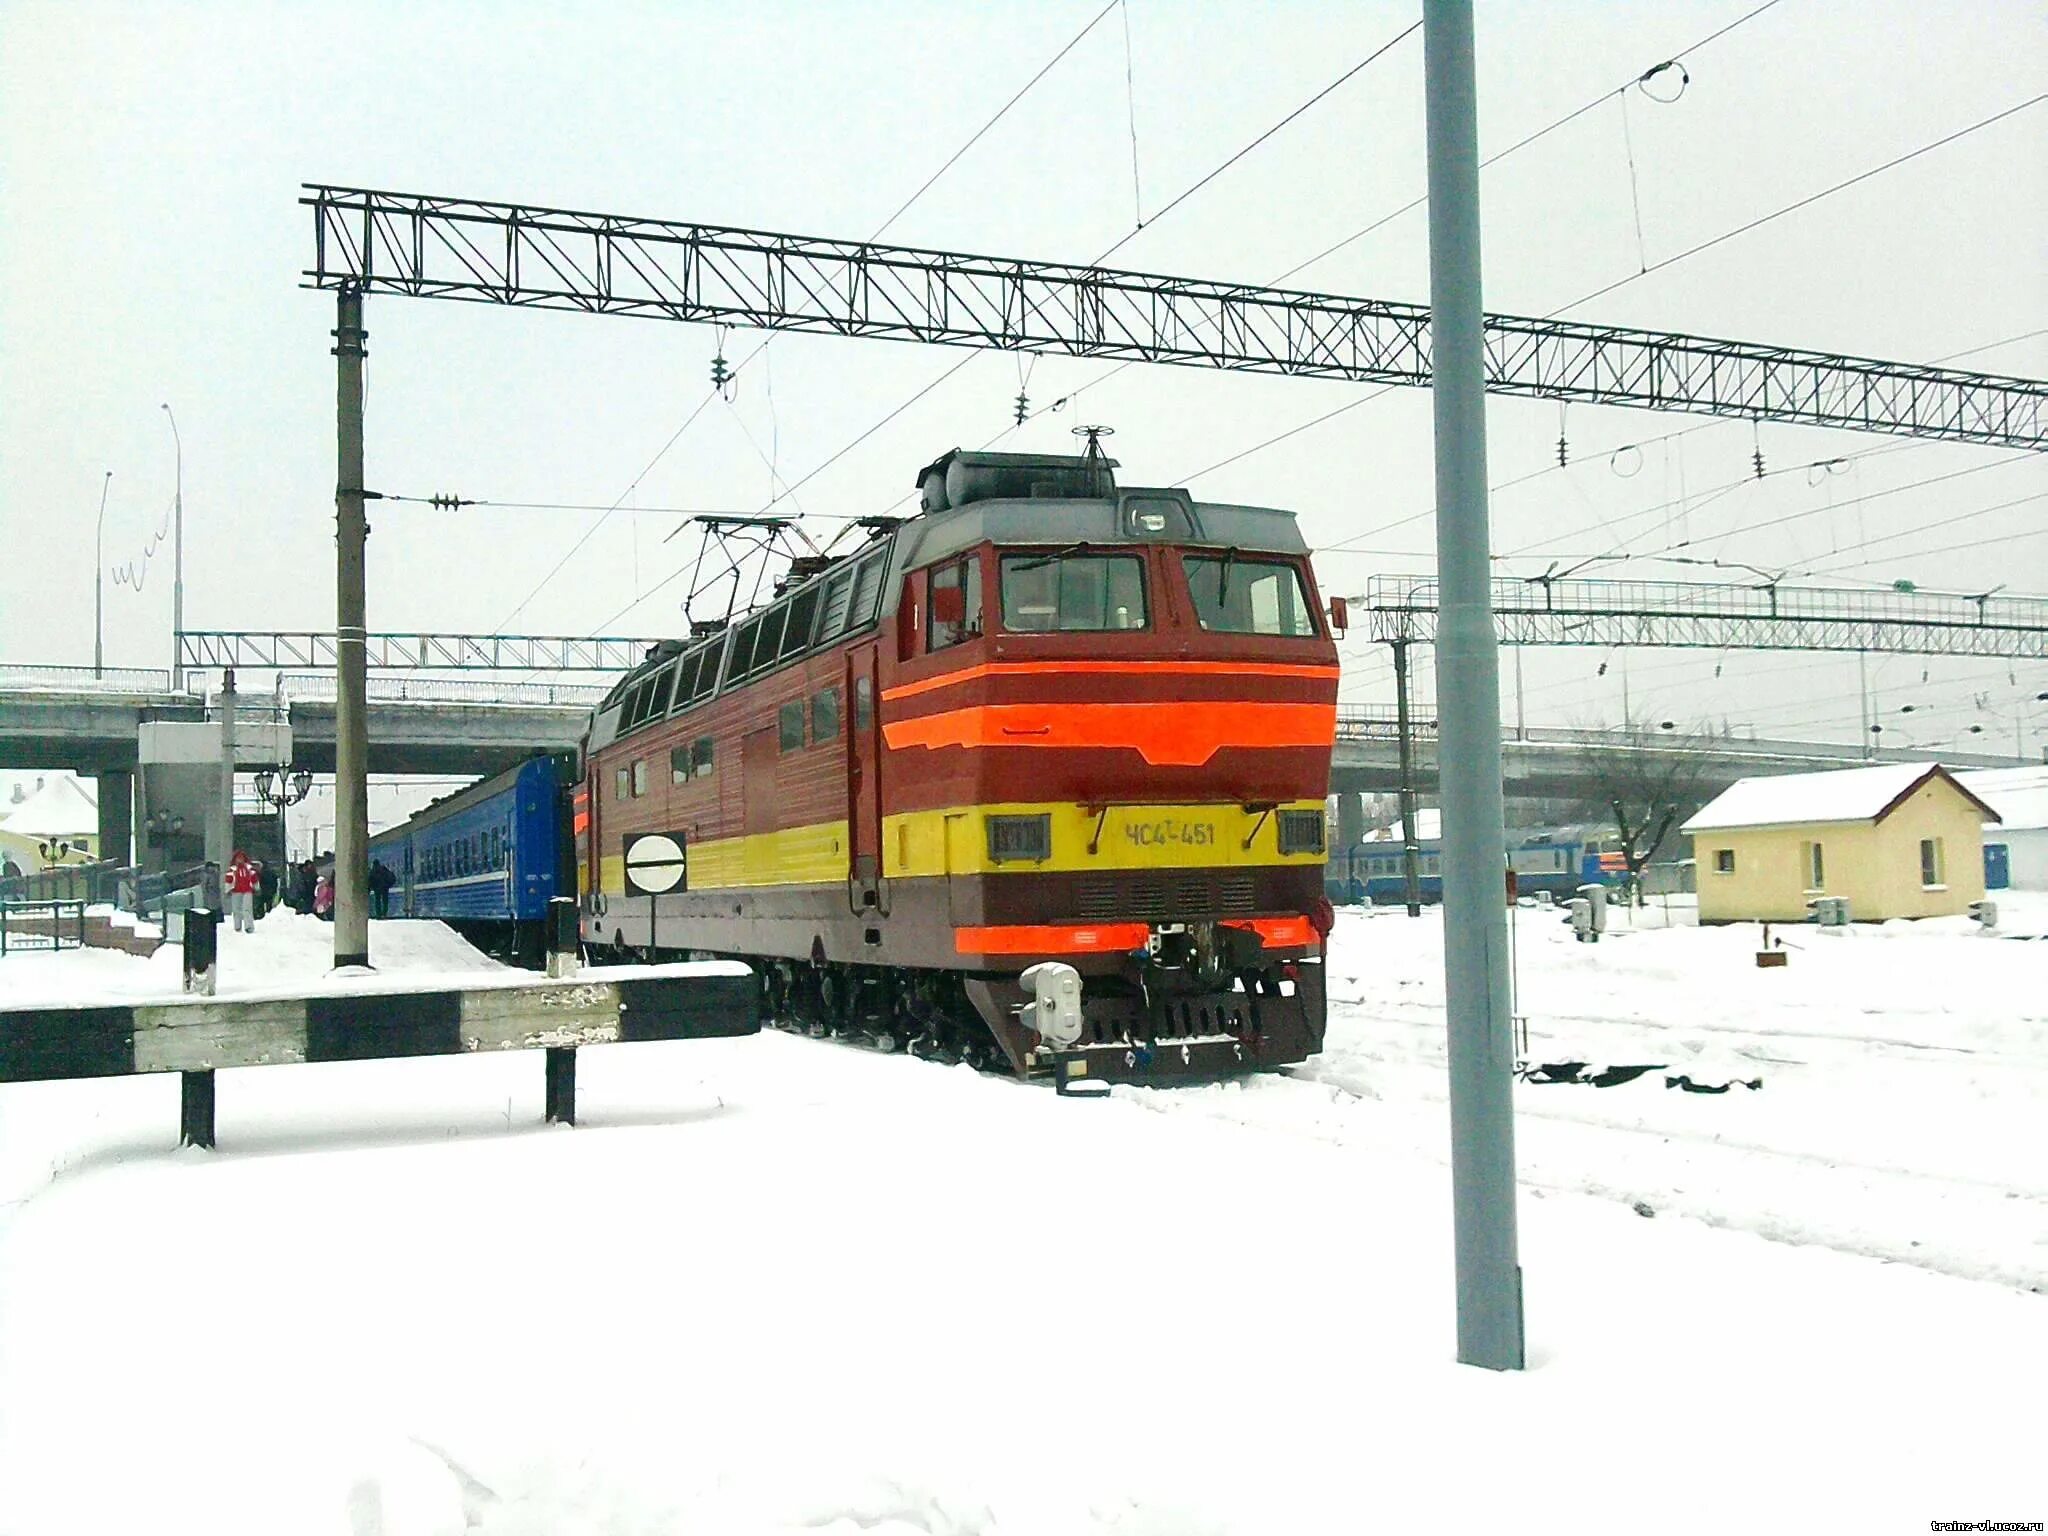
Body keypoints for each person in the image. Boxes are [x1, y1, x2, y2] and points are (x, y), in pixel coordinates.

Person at [225, 850, 258, 933]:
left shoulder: (249, 868)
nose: (240, 860)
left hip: (247, 890)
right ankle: (237, 926)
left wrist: (256, 888)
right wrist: (228, 890)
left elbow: (254, 879)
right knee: (236, 909)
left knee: (247, 908)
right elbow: (228, 880)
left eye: (241, 858)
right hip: (236, 891)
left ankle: (249, 926)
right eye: (238, 858)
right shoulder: (232, 870)